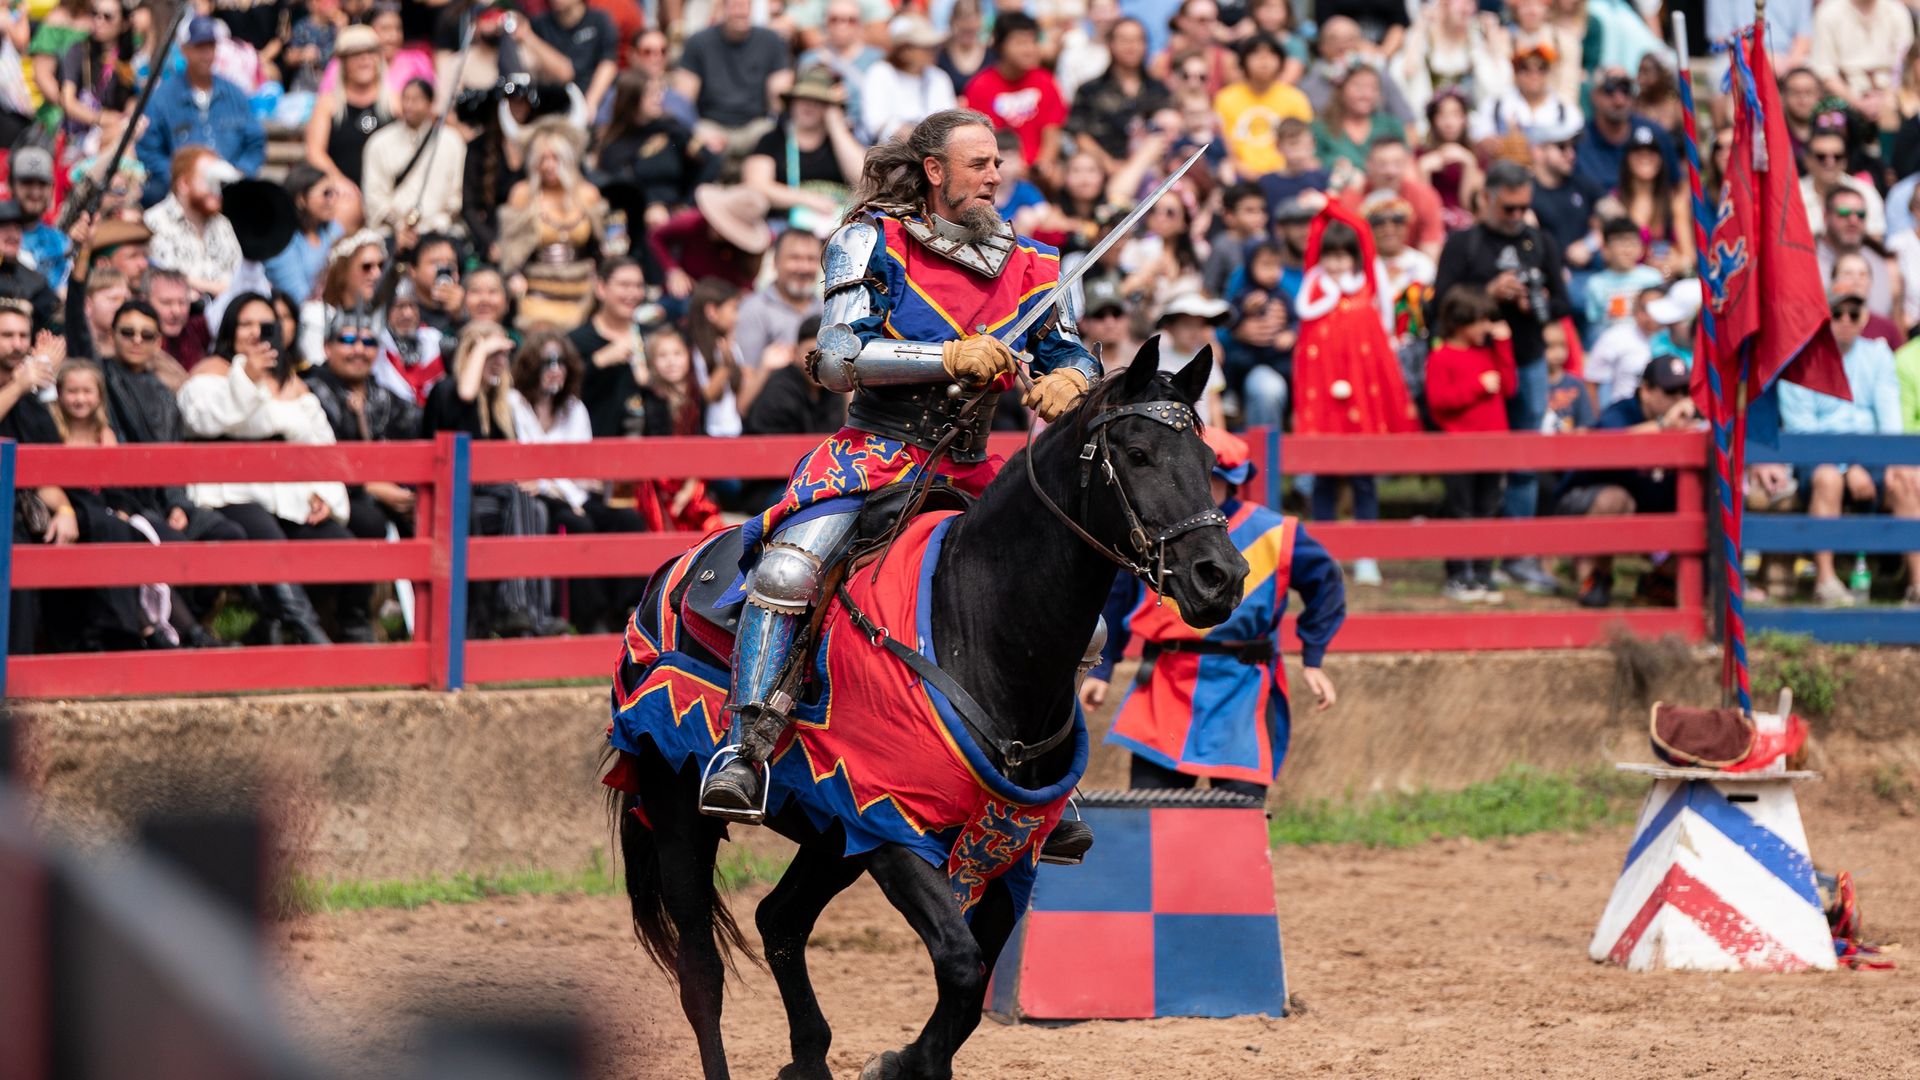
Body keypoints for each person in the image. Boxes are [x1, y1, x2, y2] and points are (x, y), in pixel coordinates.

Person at [697, 109, 1101, 861]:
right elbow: (836, 357)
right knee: (789, 569)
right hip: (878, 453)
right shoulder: (870, 241)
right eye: (978, 164)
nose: (994, 177)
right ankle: (745, 746)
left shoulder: (1040, 263)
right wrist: (947, 358)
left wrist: (1073, 380)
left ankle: (1050, 781)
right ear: (934, 172)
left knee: (1070, 604)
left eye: (998, 164)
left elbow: (1073, 351)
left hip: (976, 466)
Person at [1083, 427, 1343, 798]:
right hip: (1165, 685)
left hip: (1243, 689)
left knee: (1239, 813)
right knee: (1152, 809)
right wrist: (1104, 668)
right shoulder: (1154, 530)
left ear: (1230, 480)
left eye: (1209, 479)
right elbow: (1119, 595)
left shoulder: (1275, 531)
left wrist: (1313, 658)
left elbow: (1327, 583)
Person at [176, 297, 356, 644]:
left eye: (265, 324)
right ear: (230, 330)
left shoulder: (292, 382)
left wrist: (323, 494)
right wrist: (244, 376)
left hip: (289, 492)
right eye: (246, 324)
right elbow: (203, 421)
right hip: (225, 491)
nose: (257, 332)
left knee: (338, 543)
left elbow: (321, 445)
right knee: (266, 535)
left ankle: (289, 627)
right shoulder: (210, 372)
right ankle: (308, 634)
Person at [1431, 159, 1570, 595]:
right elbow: (1436, 310)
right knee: (1473, 468)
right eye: (1508, 208)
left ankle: (1518, 554)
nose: (1516, 217)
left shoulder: (1539, 240)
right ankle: (1470, 559)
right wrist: (1488, 294)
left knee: (1524, 460)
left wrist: (1539, 301)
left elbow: (1565, 305)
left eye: (1523, 209)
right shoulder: (1465, 244)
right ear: (1486, 197)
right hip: (1471, 363)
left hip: (1524, 358)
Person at [1292, 202, 1416, 587]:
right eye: (1330, 255)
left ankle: (1366, 554)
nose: (1337, 263)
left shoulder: (1367, 285)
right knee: (1325, 480)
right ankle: (1325, 554)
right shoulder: (1313, 290)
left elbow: (1362, 230)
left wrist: (1330, 204)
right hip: (1324, 405)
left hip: (1362, 401)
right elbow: (1314, 242)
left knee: (1364, 479)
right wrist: (1318, 216)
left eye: (1344, 255)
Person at [1775, 286, 1920, 606]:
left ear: (1863, 318)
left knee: (1907, 480)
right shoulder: (1801, 360)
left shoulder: (1878, 354)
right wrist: (1848, 466)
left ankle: (1917, 583)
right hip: (1818, 460)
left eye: (1853, 314)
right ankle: (1825, 581)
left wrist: (1883, 462)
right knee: (1828, 477)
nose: (1845, 320)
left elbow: (1889, 417)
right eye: (1837, 313)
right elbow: (1804, 433)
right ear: (1824, 317)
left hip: (1871, 457)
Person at [424, 320, 567, 638]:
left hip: (492, 498)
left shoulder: (500, 405)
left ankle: (532, 612)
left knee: (536, 506)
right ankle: (514, 607)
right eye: (492, 354)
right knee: (519, 499)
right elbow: (464, 392)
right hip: (453, 498)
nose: (501, 362)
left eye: (504, 355)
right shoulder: (449, 390)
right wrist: (484, 346)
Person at [506, 332, 646, 633]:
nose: (556, 369)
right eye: (547, 362)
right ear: (531, 367)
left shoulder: (573, 407)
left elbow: (581, 468)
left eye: (561, 362)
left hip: (574, 493)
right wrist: (553, 484)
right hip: (540, 498)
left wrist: (556, 482)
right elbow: (525, 468)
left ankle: (626, 609)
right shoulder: (515, 404)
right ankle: (590, 618)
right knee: (579, 525)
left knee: (628, 520)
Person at [1553, 353, 1697, 608]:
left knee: (1704, 501)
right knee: (1615, 499)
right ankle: (1597, 576)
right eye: (1670, 391)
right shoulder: (1623, 411)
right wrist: (1663, 426)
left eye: (1685, 391)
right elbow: (1609, 444)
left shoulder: (1690, 422)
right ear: (1646, 391)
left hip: (1649, 506)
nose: (1679, 400)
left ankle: (1659, 581)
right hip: (1584, 501)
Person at [303, 305, 422, 595]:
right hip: (329, 493)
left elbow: (421, 429)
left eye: (369, 342)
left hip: (387, 491)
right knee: (368, 521)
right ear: (327, 347)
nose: (359, 350)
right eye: (347, 341)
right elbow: (316, 459)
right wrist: (372, 487)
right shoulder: (311, 390)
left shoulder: (381, 395)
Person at [1425, 287, 1517, 602]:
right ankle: (1458, 575)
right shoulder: (1442, 358)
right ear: (1459, 323)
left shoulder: (1488, 353)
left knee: (1488, 510)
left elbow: (1509, 386)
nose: (1485, 328)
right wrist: (1475, 388)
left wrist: (1504, 345)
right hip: (1459, 451)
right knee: (1461, 510)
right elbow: (1439, 403)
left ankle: (1482, 574)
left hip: (1493, 448)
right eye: (1479, 322)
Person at [135, 16, 266, 206]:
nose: (206, 54)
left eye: (210, 46)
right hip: (180, 193)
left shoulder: (234, 93)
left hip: (232, 191)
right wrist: (180, 178)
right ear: (184, 49)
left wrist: (241, 173)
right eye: (199, 47)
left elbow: (255, 142)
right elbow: (148, 149)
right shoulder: (163, 97)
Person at [501, 122, 606, 332]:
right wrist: (513, 275)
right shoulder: (523, 194)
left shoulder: (587, 193)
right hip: (537, 292)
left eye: (555, 158)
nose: (549, 165)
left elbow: (603, 244)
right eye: (543, 159)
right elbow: (510, 248)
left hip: (582, 291)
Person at [742, 66, 865, 236]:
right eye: (803, 99)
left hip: (837, 230)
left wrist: (837, 126)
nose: (809, 105)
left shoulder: (844, 140)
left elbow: (864, 179)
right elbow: (755, 185)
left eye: (819, 101)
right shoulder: (773, 139)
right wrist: (808, 199)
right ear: (792, 102)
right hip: (786, 229)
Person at [673, 0, 794, 154]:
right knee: (690, 137)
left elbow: (780, 99)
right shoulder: (698, 42)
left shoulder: (772, 42)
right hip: (711, 125)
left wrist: (775, 131)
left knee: (771, 134)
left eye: (745, 5)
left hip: (755, 126)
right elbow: (683, 101)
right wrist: (697, 131)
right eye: (735, 5)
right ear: (722, 7)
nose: (741, 11)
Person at [960, 13, 1066, 189]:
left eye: (1033, 42)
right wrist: (1012, 168)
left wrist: (1043, 165)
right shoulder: (980, 86)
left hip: (1038, 172)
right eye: (1020, 43)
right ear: (1000, 46)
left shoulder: (1046, 81)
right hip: (999, 170)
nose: (1029, 49)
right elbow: (981, 140)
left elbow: (1052, 132)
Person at [301, 24, 386, 232]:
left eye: (370, 52)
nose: (364, 59)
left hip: (387, 190)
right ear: (343, 62)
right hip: (347, 189)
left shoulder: (395, 102)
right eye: (356, 54)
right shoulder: (328, 104)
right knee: (343, 212)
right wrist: (339, 180)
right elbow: (314, 152)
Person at [360, 78, 466, 237]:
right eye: (406, 99)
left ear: (430, 103)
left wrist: (436, 224)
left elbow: (455, 197)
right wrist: (399, 226)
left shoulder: (452, 142)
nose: (409, 105)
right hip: (391, 232)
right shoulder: (379, 143)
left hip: (438, 231)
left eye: (416, 100)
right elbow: (374, 197)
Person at [734, 229, 824, 414]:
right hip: (772, 421)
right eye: (794, 258)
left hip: (823, 422)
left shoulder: (829, 309)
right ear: (775, 262)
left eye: (811, 259)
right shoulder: (753, 309)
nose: (803, 268)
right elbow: (744, 381)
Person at [1064, 17, 1169, 173]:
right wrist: (1109, 165)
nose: (1131, 46)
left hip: (1153, 172)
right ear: (1110, 45)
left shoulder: (1159, 89)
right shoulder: (1089, 90)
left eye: (1137, 40)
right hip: (1103, 172)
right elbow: (1079, 135)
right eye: (1124, 40)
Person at [143, 147, 243, 302]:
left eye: (219, 181)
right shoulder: (154, 222)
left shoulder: (224, 225)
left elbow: (238, 275)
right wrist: (221, 288)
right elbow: (165, 279)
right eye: (209, 180)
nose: (216, 190)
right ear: (184, 183)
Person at [1212, 33, 1312, 180]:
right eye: (1256, 54)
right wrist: (1242, 169)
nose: (1264, 60)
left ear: (1281, 61)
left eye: (1271, 54)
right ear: (1243, 61)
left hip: (1288, 174)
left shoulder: (1295, 98)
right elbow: (1223, 144)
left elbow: (1304, 144)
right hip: (1240, 175)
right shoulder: (1225, 99)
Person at [645, 183, 773, 298]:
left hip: (727, 298)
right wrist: (673, 270)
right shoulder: (692, 222)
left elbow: (748, 278)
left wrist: (743, 292)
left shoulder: (754, 249)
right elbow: (656, 236)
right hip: (689, 293)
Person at [1336, 134, 1446, 259]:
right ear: (1369, 164)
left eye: (1397, 163)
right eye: (1382, 164)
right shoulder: (1352, 198)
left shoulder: (1424, 196)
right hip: (1364, 268)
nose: (1390, 171)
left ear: (1407, 163)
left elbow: (1431, 249)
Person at [1573, 66, 1680, 192]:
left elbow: (1678, 186)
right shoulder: (1578, 141)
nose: (1619, 100)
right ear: (1594, 95)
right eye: (1609, 89)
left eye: (1626, 89)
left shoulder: (1655, 135)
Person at [859, 14, 956, 145]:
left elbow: (948, 124)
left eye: (933, 46)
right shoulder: (880, 73)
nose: (933, 51)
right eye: (925, 47)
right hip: (890, 155)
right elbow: (876, 125)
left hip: (933, 153)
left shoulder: (939, 77)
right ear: (904, 50)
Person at [1469, 41, 1579, 150]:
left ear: (1549, 72)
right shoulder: (1495, 105)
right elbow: (1478, 135)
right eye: (1525, 68)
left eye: (1542, 68)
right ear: (1515, 72)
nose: (1534, 75)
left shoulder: (1566, 110)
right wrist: (1489, 143)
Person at [1809, 0, 1913, 115]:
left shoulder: (1897, 11)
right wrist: (1857, 102)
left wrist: (1887, 97)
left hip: (1892, 93)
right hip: (1844, 94)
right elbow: (1825, 69)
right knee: (1829, 124)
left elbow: (1905, 63)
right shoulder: (1828, 12)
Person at [795, 0, 882, 134]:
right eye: (834, 19)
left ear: (860, 25)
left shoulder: (877, 59)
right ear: (825, 23)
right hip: (821, 133)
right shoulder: (810, 59)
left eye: (850, 20)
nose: (842, 25)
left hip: (867, 135)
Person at [264, 165, 345, 305]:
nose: (333, 200)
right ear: (301, 199)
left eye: (334, 193)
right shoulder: (281, 242)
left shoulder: (334, 230)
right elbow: (298, 298)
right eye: (326, 193)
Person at [1818, 187, 1900, 319]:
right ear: (1826, 216)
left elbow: (1896, 330)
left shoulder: (1886, 265)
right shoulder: (1806, 262)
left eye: (1861, 215)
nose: (1853, 220)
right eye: (1844, 213)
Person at [533, 0, 619, 122]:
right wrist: (526, 35)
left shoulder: (599, 20)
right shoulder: (538, 25)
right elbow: (564, 73)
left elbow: (608, 63)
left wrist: (591, 102)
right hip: (552, 100)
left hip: (594, 97)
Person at [1312, 62, 1403, 174]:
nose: (1366, 94)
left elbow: (1408, 167)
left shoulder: (1390, 125)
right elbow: (1310, 165)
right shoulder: (1321, 128)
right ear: (1340, 90)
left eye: (1372, 88)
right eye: (1358, 86)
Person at [1584, 285, 1666, 407]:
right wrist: (1597, 422)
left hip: (1671, 419)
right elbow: (1591, 382)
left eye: (1657, 308)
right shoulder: (1615, 337)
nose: (1650, 316)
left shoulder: (1677, 338)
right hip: (1625, 415)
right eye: (1644, 309)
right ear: (1635, 310)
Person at [1584, 217, 1666, 337]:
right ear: (1605, 250)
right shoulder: (1596, 283)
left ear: (1641, 249)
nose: (1627, 250)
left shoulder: (1653, 278)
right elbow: (1594, 324)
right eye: (1620, 244)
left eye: (1632, 243)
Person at [370, 279, 444, 406]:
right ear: (386, 310)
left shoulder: (434, 340)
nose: (407, 314)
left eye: (412, 306)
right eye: (399, 306)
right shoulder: (376, 348)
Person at [9, 149, 69, 293]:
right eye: (27, 183)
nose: (35, 192)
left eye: (42, 184)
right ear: (11, 184)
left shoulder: (61, 242)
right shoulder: (3, 237)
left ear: (52, 188)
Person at [0, 201, 58, 333]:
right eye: (5, 228)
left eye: (17, 228)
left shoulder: (36, 281)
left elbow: (54, 323)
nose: (13, 235)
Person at [147, 268, 211, 371]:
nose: (176, 311)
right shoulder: (135, 339)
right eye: (166, 302)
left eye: (182, 302)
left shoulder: (197, 328)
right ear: (146, 302)